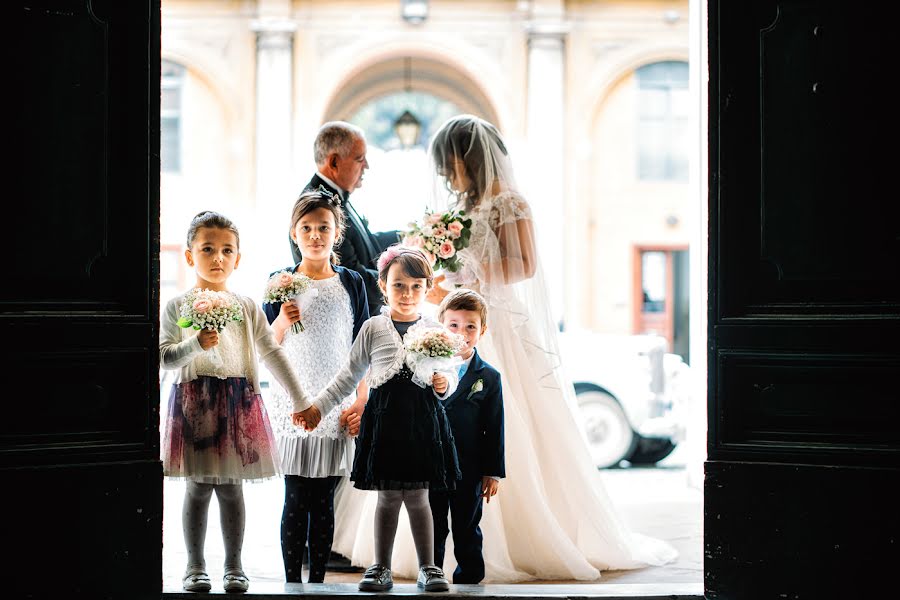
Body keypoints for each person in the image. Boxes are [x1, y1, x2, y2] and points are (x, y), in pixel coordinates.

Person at [420, 114, 679, 581]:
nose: (445, 175)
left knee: (504, 420)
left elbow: (524, 265)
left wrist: (473, 272)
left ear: (468, 159)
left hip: (498, 325)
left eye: (449, 165)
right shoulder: (464, 206)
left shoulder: (509, 202)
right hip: (461, 320)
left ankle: (514, 537)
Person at [160, 211, 322, 593]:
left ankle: (234, 565)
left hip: (236, 404)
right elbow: (164, 356)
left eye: (226, 250)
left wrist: (301, 399)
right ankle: (194, 565)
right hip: (195, 403)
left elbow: (271, 353)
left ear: (238, 258)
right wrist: (195, 344)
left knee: (232, 486)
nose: (217, 258)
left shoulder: (247, 307)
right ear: (189, 256)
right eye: (208, 249)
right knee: (198, 487)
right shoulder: (177, 307)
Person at [312, 245, 461, 592]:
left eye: (415, 287)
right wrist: (318, 406)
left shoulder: (434, 327)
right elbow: (348, 376)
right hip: (386, 424)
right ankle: (381, 567)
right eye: (398, 285)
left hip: (423, 423)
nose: (407, 294)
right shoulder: (373, 328)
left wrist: (444, 383)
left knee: (420, 498)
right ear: (383, 285)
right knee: (388, 497)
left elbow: (449, 374)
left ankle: (429, 567)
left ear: (426, 288)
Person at [263, 190, 370, 583]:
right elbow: (267, 347)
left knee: (325, 501)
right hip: (294, 400)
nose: (315, 235)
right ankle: (293, 581)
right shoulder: (281, 283)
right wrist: (283, 321)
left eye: (323, 227)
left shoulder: (352, 282)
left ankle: (319, 583)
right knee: (295, 497)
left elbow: (362, 346)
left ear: (337, 232)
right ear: (294, 233)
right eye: (306, 228)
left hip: (336, 403)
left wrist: (361, 400)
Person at [430, 289, 505, 584]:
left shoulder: (489, 376)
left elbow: (495, 427)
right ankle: (431, 571)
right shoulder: (427, 367)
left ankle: (470, 577)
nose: (462, 332)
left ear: (482, 330)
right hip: (432, 463)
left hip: (470, 467)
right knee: (433, 524)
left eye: (470, 326)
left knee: (467, 524)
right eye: (454, 325)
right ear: (442, 326)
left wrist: (492, 472)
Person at [293, 121, 399, 318]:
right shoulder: (318, 206)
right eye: (360, 159)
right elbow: (348, 274)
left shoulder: (336, 195)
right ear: (334, 162)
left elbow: (362, 243)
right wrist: (398, 282)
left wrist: (405, 237)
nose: (366, 165)